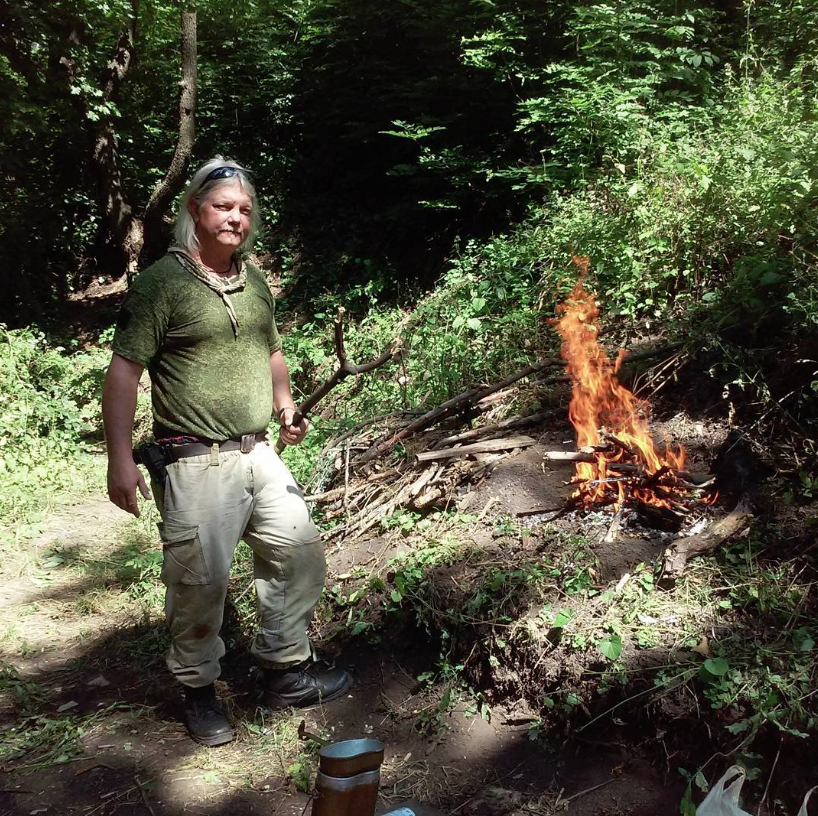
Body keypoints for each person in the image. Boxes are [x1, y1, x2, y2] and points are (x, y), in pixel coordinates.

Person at [102, 157, 352, 747]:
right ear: (195, 209)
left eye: (244, 209)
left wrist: (285, 405)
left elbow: (271, 352)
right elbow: (124, 372)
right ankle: (198, 690)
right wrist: (120, 458)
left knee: (297, 550)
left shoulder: (254, 279)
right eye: (223, 206)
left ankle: (285, 671)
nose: (236, 217)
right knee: (200, 582)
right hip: (194, 459)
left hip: (259, 452)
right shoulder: (161, 284)